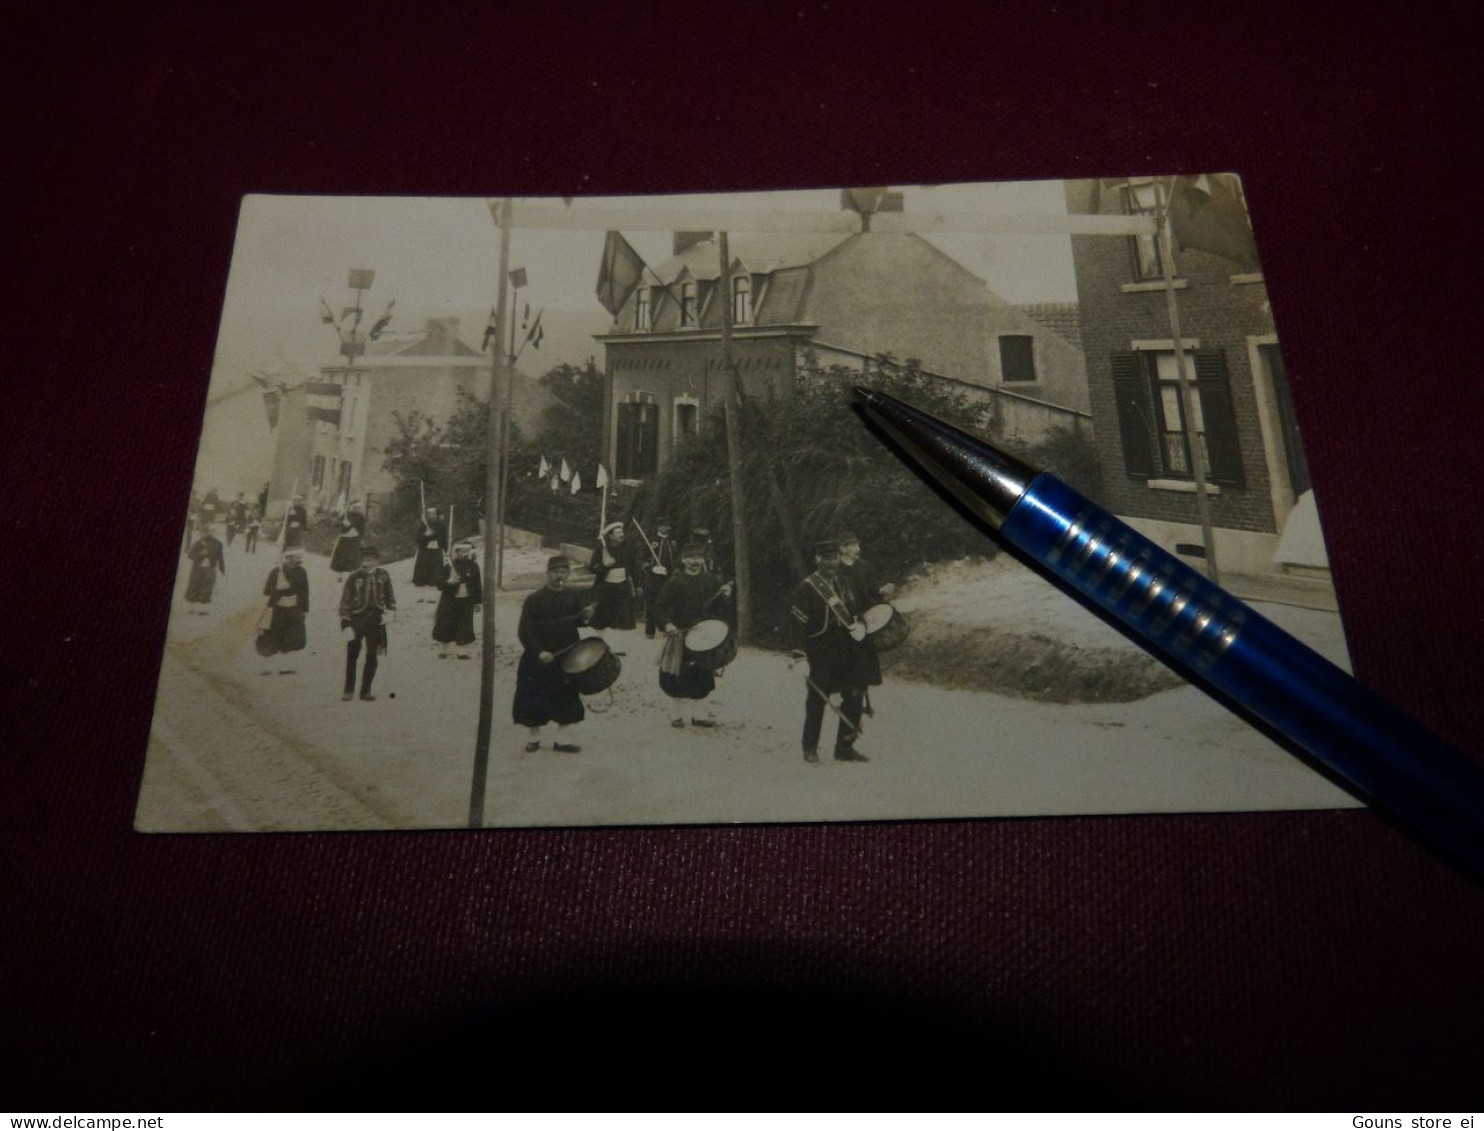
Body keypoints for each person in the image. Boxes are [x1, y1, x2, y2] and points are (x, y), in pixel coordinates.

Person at [787, 538, 875, 764]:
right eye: (825, 559)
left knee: (855, 695)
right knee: (817, 699)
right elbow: (797, 625)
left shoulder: (846, 582)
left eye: (834, 558)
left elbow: (856, 610)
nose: (831, 563)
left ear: (839, 557)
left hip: (848, 648)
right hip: (820, 650)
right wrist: (799, 656)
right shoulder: (807, 587)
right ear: (817, 560)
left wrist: (861, 625)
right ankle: (810, 747)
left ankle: (844, 748)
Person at [513, 555, 596, 753]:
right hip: (540, 657)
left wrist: (586, 617)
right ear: (547, 573)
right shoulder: (534, 599)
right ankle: (534, 738)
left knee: (566, 695)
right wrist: (539, 652)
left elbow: (578, 622)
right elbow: (525, 630)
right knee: (534, 695)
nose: (560, 576)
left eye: (564, 572)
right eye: (556, 572)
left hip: (567, 654)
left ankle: (562, 739)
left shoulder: (573, 595)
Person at [654, 542, 734, 727]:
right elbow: (659, 607)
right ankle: (676, 715)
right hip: (679, 635)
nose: (695, 561)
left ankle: (699, 715)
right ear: (683, 560)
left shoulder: (710, 580)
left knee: (702, 675)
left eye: (699, 558)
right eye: (690, 558)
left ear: (703, 559)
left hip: (703, 636)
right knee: (675, 675)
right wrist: (668, 624)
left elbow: (720, 609)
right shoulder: (675, 581)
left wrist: (726, 597)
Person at [837, 530, 895, 695]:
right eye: (853, 545)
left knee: (864, 663)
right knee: (848, 663)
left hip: (865, 619)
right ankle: (849, 694)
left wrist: (883, 591)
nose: (857, 548)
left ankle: (862, 693)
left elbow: (873, 592)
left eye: (858, 544)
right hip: (845, 621)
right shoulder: (836, 570)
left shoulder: (865, 566)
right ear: (843, 548)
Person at [339, 545, 396, 702]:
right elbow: (345, 600)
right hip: (357, 619)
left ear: (376, 561)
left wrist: (391, 611)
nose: (365, 563)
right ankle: (348, 690)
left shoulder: (384, 575)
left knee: (372, 655)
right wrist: (345, 621)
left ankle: (366, 690)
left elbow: (390, 596)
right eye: (363, 560)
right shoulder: (354, 576)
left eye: (369, 560)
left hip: (376, 621)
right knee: (352, 655)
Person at [258, 546, 309, 672]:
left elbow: (305, 591)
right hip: (277, 610)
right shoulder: (276, 571)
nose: (300, 559)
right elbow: (266, 591)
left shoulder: (302, 572)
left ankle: (285, 667)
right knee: (272, 637)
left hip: (295, 609)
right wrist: (279, 588)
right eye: (297, 557)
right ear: (289, 558)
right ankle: (266, 667)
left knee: (292, 638)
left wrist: (305, 609)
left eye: (300, 557)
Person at [432, 540, 483, 658]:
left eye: (468, 551)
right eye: (463, 551)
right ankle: (443, 650)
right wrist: (448, 582)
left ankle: (462, 651)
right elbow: (438, 582)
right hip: (450, 600)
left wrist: (478, 602)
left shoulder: (473, 566)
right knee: (446, 623)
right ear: (457, 552)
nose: (465, 554)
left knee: (465, 625)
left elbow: (477, 585)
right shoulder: (449, 565)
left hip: (467, 600)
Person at [589, 521, 637, 630]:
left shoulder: (626, 549)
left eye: (622, 532)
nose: (622, 535)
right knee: (602, 619)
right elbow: (592, 568)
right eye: (618, 533)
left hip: (622, 588)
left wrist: (636, 584)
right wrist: (604, 566)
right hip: (607, 587)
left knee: (623, 621)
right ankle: (600, 641)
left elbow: (633, 566)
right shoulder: (602, 549)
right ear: (610, 536)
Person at [642, 516, 678, 639]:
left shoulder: (672, 541)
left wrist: (675, 570)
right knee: (652, 603)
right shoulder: (651, 541)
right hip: (653, 579)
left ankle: (664, 628)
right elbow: (641, 559)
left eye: (668, 525)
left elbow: (676, 558)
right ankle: (650, 631)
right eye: (664, 525)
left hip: (668, 577)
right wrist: (652, 568)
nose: (667, 528)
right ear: (659, 527)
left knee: (667, 603)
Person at [183, 524, 226, 613]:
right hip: (198, 568)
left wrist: (222, 569)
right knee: (194, 586)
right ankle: (192, 608)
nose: (212, 533)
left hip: (210, 568)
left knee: (207, 587)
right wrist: (200, 555)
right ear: (206, 532)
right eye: (210, 531)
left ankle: (202, 609)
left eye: (213, 531)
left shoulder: (218, 543)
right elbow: (190, 554)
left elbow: (220, 557)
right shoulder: (199, 542)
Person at [411, 506, 446, 598]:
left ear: (436, 515)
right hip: (425, 550)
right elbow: (417, 538)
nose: (431, 516)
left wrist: (446, 550)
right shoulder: (421, 525)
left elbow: (443, 538)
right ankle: (422, 582)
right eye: (429, 514)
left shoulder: (441, 525)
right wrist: (425, 535)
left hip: (436, 550)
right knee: (422, 573)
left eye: (433, 513)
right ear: (426, 515)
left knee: (436, 575)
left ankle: (434, 581)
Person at [329, 499, 366, 578]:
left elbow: (362, 528)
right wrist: (342, 523)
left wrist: (362, 538)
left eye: (359, 508)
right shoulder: (345, 514)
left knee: (353, 557)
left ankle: (351, 575)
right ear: (351, 507)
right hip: (345, 538)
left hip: (355, 539)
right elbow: (336, 524)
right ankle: (340, 575)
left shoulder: (361, 516)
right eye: (355, 507)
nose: (357, 509)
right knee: (342, 557)